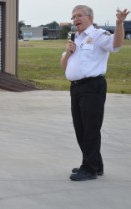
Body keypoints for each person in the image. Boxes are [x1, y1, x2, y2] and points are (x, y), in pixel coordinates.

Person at [60, 5, 130, 181]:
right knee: (81, 129)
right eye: (73, 17)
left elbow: (116, 44)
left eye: (79, 15)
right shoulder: (76, 38)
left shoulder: (98, 35)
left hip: (92, 87)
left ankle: (89, 169)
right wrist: (68, 53)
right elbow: (63, 65)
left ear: (89, 17)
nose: (75, 19)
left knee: (91, 128)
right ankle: (95, 164)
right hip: (76, 88)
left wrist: (119, 24)